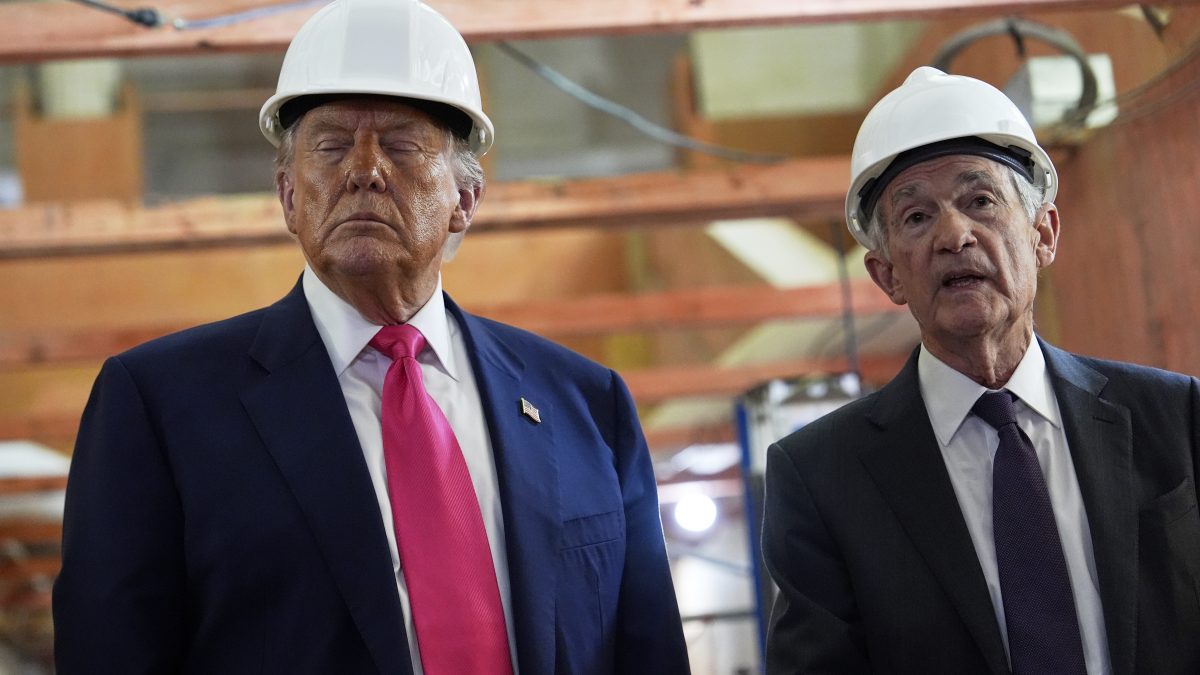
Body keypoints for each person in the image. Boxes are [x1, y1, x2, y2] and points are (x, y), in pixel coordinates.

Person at [51, 1, 691, 673]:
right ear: (289, 196)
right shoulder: (160, 408)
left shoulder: (587, 406)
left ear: (464, 201)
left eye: (403, 143)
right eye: (329, 146)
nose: (365, 169)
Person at [761, 66, 1200, 675]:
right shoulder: (820, 478)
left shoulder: (1175, 417)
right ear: (887, 275)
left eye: (981, 201)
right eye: (915, 217)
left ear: (1043, 234)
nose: (953, 235)